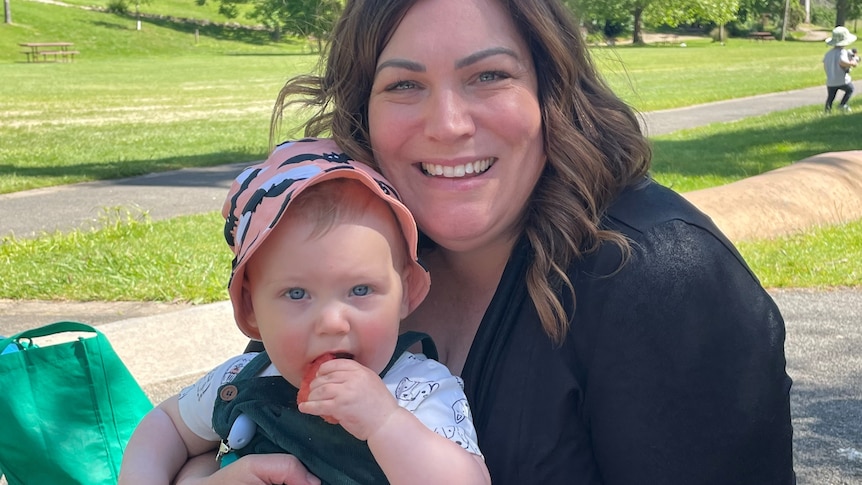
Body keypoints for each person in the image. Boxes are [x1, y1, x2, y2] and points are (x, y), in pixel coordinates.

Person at [174, 0, 797, 483]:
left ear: (552, 93)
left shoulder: (661, 281)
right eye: (404, 85)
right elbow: (206, 430)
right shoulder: (361, 250)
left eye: (489, 75)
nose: (448, 125)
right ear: (363, 109)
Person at [118, 138, 489, 485]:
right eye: (297, 293)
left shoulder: (417, 392)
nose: (331, 322)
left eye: (360, 290)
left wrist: (384, 423)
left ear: (405, 292)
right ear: (251, 309)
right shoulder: (241, 378)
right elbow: (165, 425)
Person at [823, 25, 858, 113]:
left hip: (830, 80)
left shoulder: (828, 54)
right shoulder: (842, 52)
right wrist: (852, 63)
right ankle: (842, 104)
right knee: (850, 89)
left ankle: (827, 110)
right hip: (842, 80)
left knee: (831, 97)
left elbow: (825, 64)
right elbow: (842, 62)